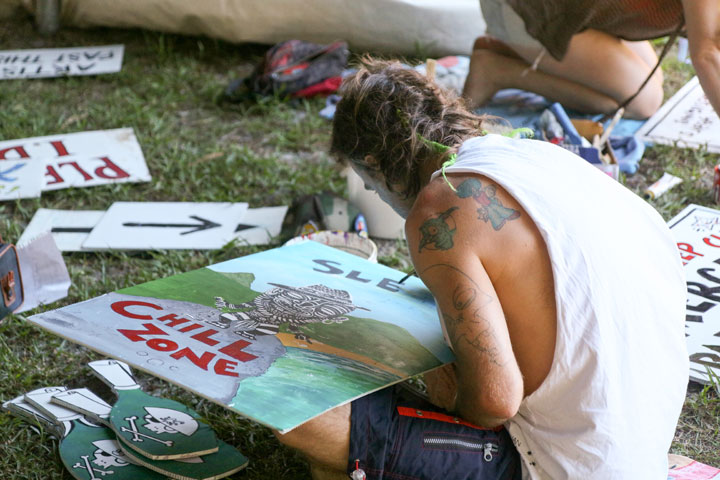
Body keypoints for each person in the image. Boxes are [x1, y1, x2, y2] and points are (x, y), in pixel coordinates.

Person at [274, 58, 689, 479]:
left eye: (368, 184)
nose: (374, 194)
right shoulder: (536, 155)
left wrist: (449, 398)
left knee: (301, 414)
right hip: (640, 452)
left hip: (565, 466)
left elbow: (494, 402)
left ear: (374, 164)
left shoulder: (439, 206)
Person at [463, 0, 720, 120]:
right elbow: (706, 53)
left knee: (651, 79)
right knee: (644, 101)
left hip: (587, 13)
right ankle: (497, 71)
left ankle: (512, 53)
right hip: (528, 11)